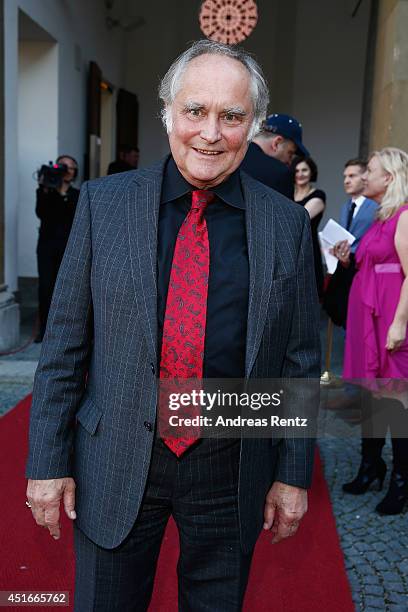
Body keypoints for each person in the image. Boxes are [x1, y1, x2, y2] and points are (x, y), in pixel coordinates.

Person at [26, 40, 321, 611]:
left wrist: (292, 474)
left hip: (230, 463)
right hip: (113, 458)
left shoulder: (285, 225)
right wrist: (46, 462)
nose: (211, 132)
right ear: (169, 113)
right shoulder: (103, 204)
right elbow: (63, 345)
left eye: (231, 116)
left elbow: (300, 358)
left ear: (252, 126)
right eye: (195, 111)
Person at [341, 147, 408, 515]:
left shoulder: (404, 217)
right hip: (366, 315)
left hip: (390, 319)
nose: (364, 176)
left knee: (395, 401)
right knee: (371, 395)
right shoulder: (379, 217)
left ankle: (401, 480)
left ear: (390, 178)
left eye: (371, 170)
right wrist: (348, 258)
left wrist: (398, 324)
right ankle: (371, 466)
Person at [323, 158, 377, 327]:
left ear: (365, 177)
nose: (346, 180)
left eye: (352, 176)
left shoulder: (376, 206)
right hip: (345, 269)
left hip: (364, 269)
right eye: (345, 176)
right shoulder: (346, 206)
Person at [35, 155, 80, 342]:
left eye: (72, 168)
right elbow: (41, 213)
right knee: (46, 287)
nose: (68, 171)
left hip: (69, 249)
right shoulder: (46, 191)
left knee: (67, 290)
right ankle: (44, 330)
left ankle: (64, 331)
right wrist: (45, 188)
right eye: (64, 167)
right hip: (47, 247)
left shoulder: (78, 194)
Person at [240, 113, 309, 198]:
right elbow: (285, 211)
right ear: (276, 143)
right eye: (290, 153)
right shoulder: (280, 173)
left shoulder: (231, 157)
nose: (289, 162)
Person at [293, 156, 326, 298]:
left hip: (307, 249)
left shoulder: (318, 195)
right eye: (297, 170)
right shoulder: (287, 192)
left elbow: (299, 218)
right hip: (288, 249)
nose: (300, 174)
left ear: (311, 172)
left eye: (304, 170)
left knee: (307, 296)